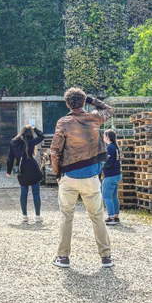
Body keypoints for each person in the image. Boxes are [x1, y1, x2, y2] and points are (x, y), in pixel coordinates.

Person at [49, 88, 114, 269]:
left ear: (67, 104)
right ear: (84, 102)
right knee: (97, 217)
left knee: (66, 217)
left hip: (69, 176)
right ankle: (106, 256)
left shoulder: (63, 122)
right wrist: (92, 100)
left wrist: (56, 174)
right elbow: (109, 110)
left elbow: (55, 151)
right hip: (92, 176)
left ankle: (63, 257)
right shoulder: (95, 119)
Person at [6, 124, 46, 224]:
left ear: (21, 132)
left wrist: (8, 171)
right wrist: (34, 128)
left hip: (22, 171)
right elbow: (41, 136)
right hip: (33, 169)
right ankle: (37, 217)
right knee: (36, 193)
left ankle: (24, 217)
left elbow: (10, 158)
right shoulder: (31, 142)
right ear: (29, 133)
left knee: (23, 193)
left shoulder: (13, 142)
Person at [101, 129, 122, 226]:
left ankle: (111, 217)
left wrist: (101, 165)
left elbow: (108, 163)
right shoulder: (115, 147)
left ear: (107, 137)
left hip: (110, 176)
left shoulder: (110, 148)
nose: (103, 137)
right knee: (114, 196)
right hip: (117, 174)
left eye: (104, 135)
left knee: (106, 196)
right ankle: (116, 216)